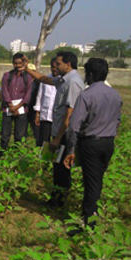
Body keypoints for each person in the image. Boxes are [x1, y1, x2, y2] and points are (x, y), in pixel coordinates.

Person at [64, 58, 122, 235]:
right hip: (108, 142)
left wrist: (71, 149)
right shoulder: (115, 94)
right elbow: (117, 120)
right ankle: (91, 215)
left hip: (91, 143)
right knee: (97, 180)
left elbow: (74, 126)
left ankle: (88, 223)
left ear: (89, 74)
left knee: (91, 182)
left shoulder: (87, 95)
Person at [22, 51, 84, 207]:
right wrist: (27, 69)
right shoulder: (64, 80)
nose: (55, 66)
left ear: (67, 64)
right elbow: (46, 80)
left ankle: (60, 201)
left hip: (65, 133)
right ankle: (55, 197)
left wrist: (57, 139)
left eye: (58, 63)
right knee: (56, 167)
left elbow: (70, 114)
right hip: (58, 130)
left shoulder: (73, 82)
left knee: (63, 168)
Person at [0, 53, 32, 150]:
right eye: (15, 63)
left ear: (23, 63)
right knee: (5, 135)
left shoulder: (27, 77)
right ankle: (3, 153)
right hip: (8, 109)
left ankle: (17, 154)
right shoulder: (7, 76)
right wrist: (11, 106)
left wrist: (17, 107)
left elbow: (27, 94)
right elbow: (5, 91)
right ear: (12, 63)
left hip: (21, 109)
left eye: (19, 63)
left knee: (20, 135)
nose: (17, 66)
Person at [34, 58, 58, 146]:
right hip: (45, 115)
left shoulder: (62, 81)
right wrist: (37, 113)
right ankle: (44, 158)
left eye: (56, 67)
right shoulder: (45, 80)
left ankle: (55, 158)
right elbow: (40, 96)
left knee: (56, 139)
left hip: (56, 116)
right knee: (44, 139)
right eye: (53, 67)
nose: (54, 69)